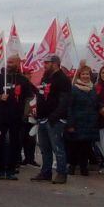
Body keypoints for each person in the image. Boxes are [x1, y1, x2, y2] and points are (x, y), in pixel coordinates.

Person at [0, 54, 36, 180]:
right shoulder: (0, 78)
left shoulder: (23, 80)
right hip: (0, 117)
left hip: (16, 118)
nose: (9, 64)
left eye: (12, 62)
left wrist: (25, 114)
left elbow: (30, 98)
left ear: (18, 63)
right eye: (8, 62)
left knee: (15, 143)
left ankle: (11, 170)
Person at [34, 55, 71, 184]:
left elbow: (64, 101)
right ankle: (46, 172)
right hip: (43, 118)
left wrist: (54, 116)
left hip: (55, 120)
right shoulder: (46, 77)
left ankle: (61, 173)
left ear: (55, 64)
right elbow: (42, 95)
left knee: (57, 147)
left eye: (47, 63)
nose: (44, 65)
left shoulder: (63, 79)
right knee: (45, 148)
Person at [66, 66, 100, 176]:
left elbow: (96, 103)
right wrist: (70, 123)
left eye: (87, 74)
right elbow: (69, 107)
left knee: (86, 146)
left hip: (90, 122)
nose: (85, 76)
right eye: (83, 74)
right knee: (75, 146)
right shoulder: (74, 89)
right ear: (79, 76)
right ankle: (72, 166)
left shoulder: (93, 88)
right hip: (77, 121)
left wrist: (102, 107)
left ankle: (84, 167)